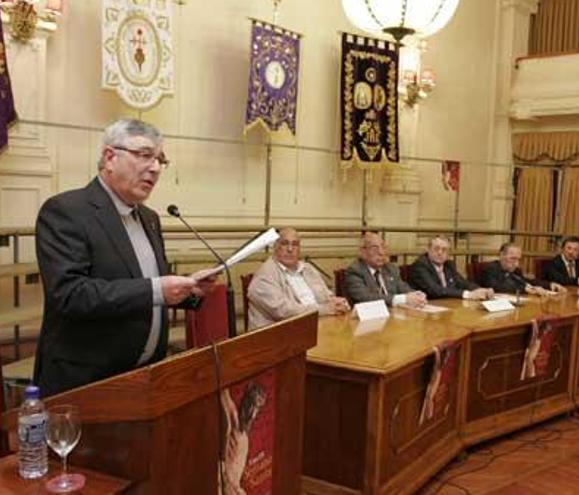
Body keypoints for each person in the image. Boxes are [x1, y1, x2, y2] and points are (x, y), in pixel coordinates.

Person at [33, 118, 217, 397]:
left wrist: (190, 289)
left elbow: (149, 283)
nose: (155, 168)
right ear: (110, 157)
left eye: (160, 159)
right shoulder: (66, 211)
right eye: (144, 155)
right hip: (88, 381)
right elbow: (70, 294)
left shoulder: (149, 218)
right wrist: (158, 289)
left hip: (146, 376)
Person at [247, 228, 350, 330]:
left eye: (295, 244)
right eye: (284, 243)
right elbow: (284, 311)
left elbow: (326, 296)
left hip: (318, 326)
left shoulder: (308, 269)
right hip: (280, 336)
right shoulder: (264, 275)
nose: (290, 249)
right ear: (275, 247)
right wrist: (324, 309)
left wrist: (337, 302)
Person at [344, 232, 427, 307]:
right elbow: (365, 297)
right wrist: (403, 299)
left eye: (383, 247)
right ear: (363, 252)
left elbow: (403, 288)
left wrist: (416, 295)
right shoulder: (355, 271)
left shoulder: (390, 268)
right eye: (375, 248)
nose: (381, 252)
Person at [409, 235, 493, 300]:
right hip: (426, 309)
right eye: (436, 249)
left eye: (444, 250)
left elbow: (462, 283)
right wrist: (468, 294)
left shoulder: (449, 265)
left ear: (449, 254)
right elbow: (436, 290)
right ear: (428, 249)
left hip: (447, 307)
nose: (440, 252)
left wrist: (481, 290)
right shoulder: (420, 266)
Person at [220, 383, 267, 495]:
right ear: (245, 403)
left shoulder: (244, 437)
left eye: (256, 409)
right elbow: (223, 394)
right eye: (250, 406)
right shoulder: (233, 422)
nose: (252, 414)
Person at [479, 243, 566, 295]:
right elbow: (496, 287)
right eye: (512, 258)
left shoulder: (516, 270)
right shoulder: (489, 269)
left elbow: (527, 281)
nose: (516, 264)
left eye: (518, 259)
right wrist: (524, 289)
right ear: (501, 255)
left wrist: (549, 285)